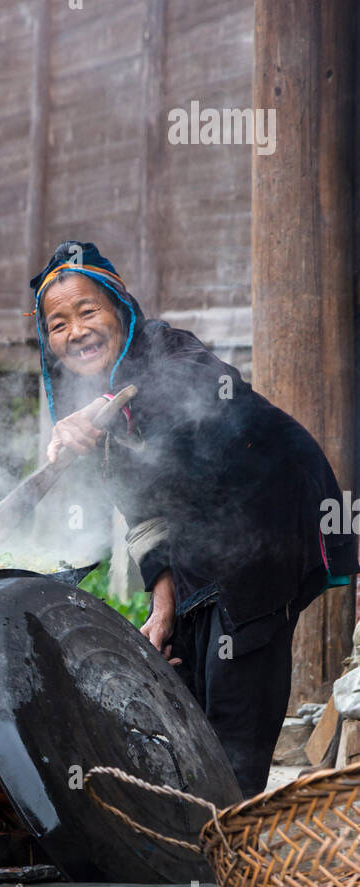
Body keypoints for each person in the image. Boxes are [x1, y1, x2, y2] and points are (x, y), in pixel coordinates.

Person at [30, 239, 357, 796]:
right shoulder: (84, 402)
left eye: (88, 312)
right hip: (197, 540)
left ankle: (233, 848)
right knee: (180, 673)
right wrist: (161, 611)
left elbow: (207, 391)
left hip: (264, 525)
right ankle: (193, 834)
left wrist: (100, 409)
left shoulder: (166, 348)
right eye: (58, 324)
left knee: (234, 698)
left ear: (120, 308)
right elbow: (143, 515)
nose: (75, 331)